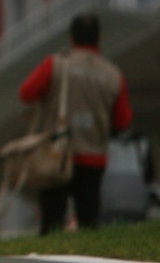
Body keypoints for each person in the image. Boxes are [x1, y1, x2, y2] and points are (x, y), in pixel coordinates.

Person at [18, 13, 133, 234]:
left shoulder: (56, 64)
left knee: (51, 221)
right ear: (99, 38)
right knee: (89, 219)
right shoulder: (113, 74)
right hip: (94, 156)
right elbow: (123, 120)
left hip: (57, 155)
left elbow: (26, 93)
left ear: (71, 37)